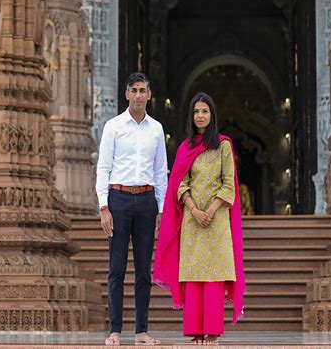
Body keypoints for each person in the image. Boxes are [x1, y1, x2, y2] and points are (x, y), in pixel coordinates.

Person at [153, 92, 245, 344]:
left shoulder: (223, 145)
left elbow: (229, 185)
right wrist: (194, 210)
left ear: (212, 115)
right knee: (194, 274)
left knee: (214, 274)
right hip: (193, 221)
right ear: (191, 117)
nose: (200, 116)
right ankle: (195, 332)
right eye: (196, 112)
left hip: (217, 220)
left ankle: (213, 332)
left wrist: (211, 211)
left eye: (205, 111)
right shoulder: (186, 147)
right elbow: (180, 183)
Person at [96, 72, 167, 346]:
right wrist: (104, 206)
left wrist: (160, 208)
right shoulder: (113, 126)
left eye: (143, 90)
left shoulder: (157, 129)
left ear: (149, 95)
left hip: (147, 200)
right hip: (119, 198)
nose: (138, 95)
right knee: (116, 268)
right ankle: (114, 330)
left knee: (142, 270)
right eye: (134, 90)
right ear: (126, 94)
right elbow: (103, 167)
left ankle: (141, 331)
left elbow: (161, 171)